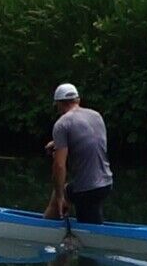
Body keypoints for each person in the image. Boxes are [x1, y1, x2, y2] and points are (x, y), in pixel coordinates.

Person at [46, 81, 112, 225]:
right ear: (78, 100)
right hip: (106, 183)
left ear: (59, 104)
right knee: (65, 192)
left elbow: (59, 166)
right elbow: (89, 140)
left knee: (60, 195)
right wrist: (57, 143)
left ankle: (44, 230)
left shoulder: (62, 124)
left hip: (86, 189)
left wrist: (60, 197)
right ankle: (48, 225)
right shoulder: (96, 116)